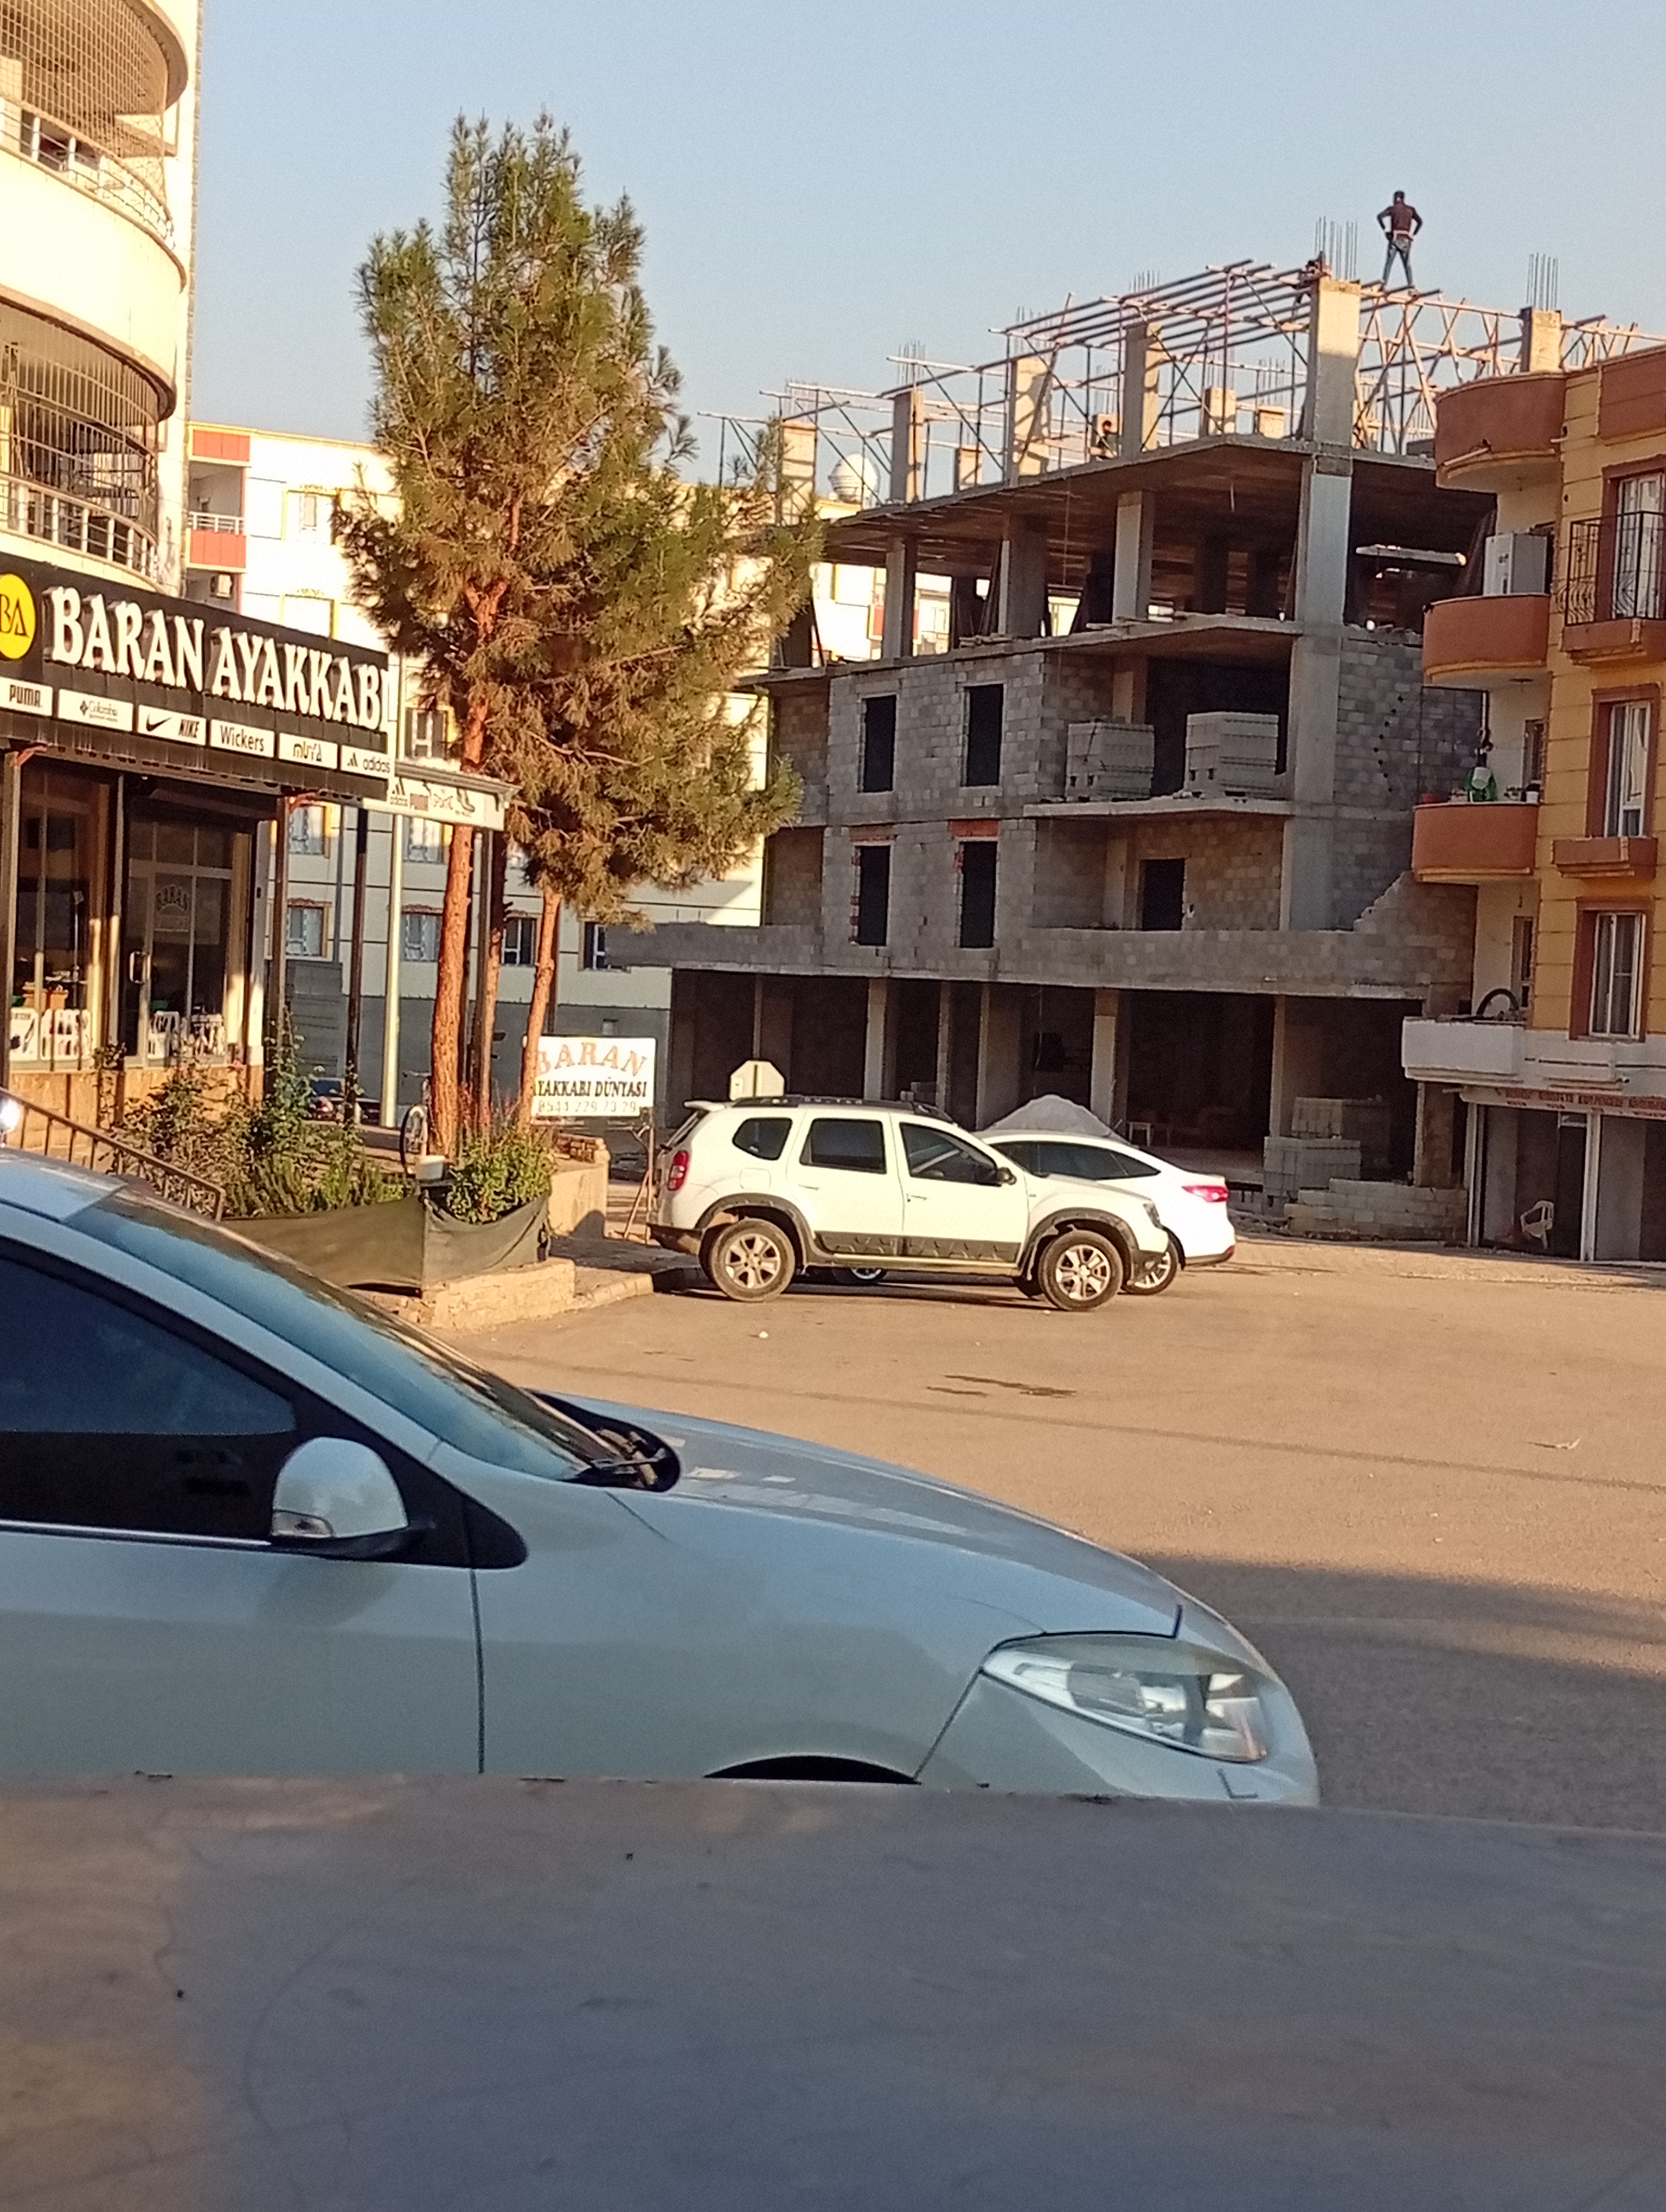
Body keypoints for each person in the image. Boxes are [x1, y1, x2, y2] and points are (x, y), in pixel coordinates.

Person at [1378, 192, 1421, 288]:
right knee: (1407, 264)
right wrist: (1413, 235)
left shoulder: (1393, 209)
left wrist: (1386, 230)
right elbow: (1420, 222)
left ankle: (1384, 283)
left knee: (1389, 263)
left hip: (1395, 238)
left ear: (1396, 198)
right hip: (1406, 240)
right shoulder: (1411, 210)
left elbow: (1379, 217)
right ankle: (1411, 285)